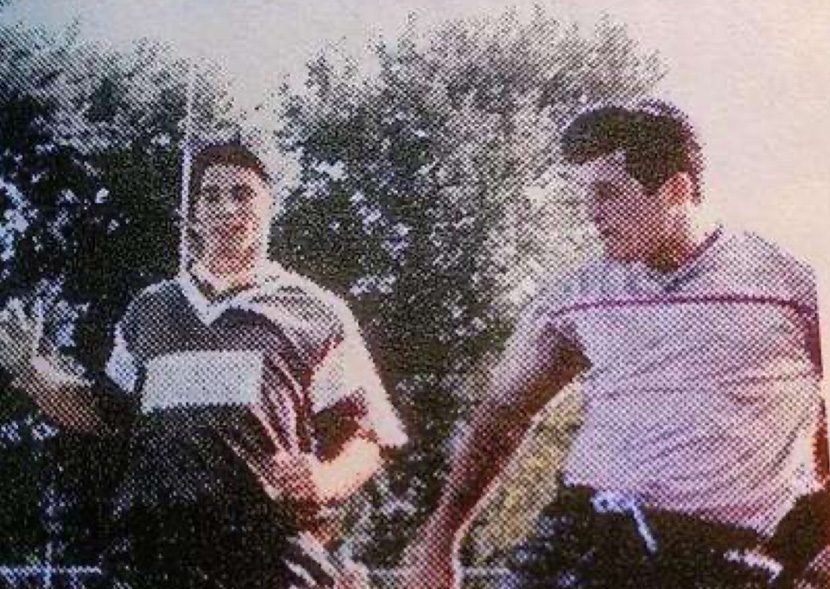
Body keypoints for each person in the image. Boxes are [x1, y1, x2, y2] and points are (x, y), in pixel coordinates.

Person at [402, 102, 827, 588]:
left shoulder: (793, 287)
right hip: (584, 535)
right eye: (585, 195)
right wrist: (441, 539)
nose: (591, 214)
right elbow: (502, 415)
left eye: (607, 193)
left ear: (676, 190)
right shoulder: (576, 296)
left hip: (720, 556)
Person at [0, 142, 407, 588]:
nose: (226, 208)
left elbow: (369, 436)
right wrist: (32, 373)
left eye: (242, 194)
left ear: (269, 206)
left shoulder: (316, 311)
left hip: (264, 556)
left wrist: (325, 479)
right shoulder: (147, 310)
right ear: (194, 214)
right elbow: (104, 412)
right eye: (211, 196)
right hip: (151, 559)